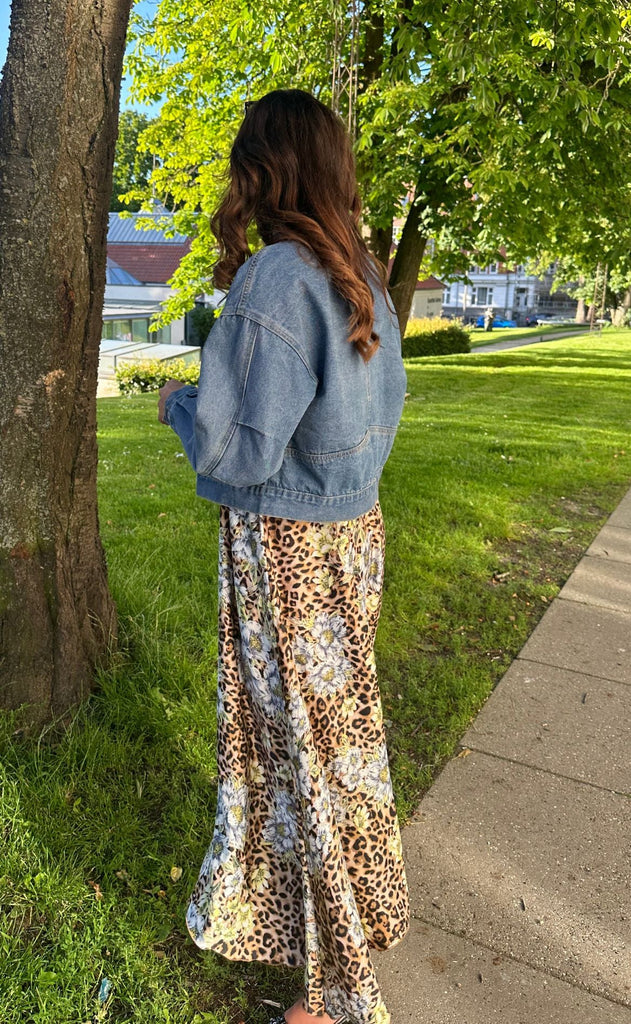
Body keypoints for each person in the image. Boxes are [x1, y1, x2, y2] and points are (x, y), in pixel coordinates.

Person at [157, 88, 410, 1024]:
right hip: (353, 539)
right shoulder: (360, 273)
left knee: (297, 754)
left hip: (288, 553)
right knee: (339, 743)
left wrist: (180, 407)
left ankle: (335, 997)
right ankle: (361, 918)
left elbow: (237, 449)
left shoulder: (276, 277)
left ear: (260, 170)